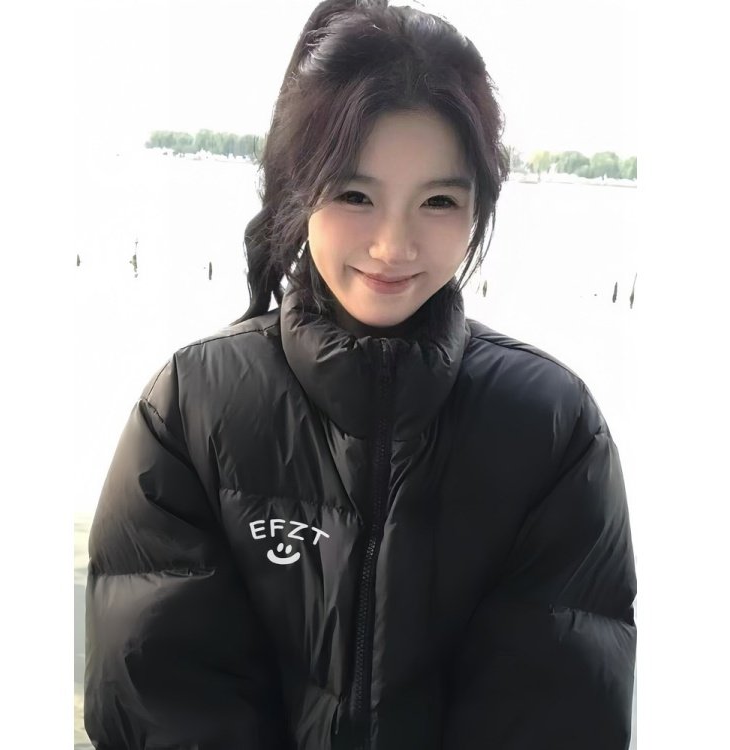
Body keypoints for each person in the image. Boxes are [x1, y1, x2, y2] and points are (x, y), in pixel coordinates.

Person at [84, 1, 637, 748]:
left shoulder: (553, 427)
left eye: (438, 201)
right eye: (355, 195)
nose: (392, 245)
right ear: (298, 186)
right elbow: (165, 695)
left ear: (477, 208)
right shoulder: (191, 408)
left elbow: (556, 708)